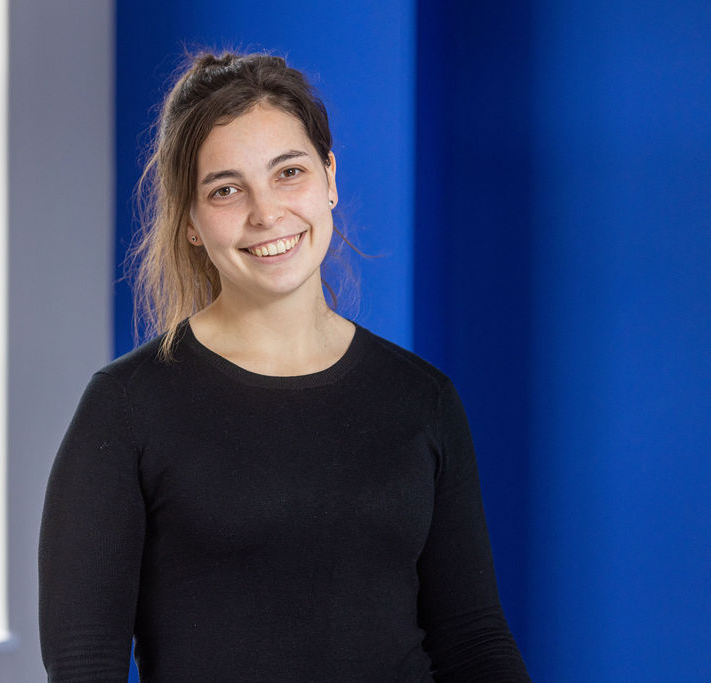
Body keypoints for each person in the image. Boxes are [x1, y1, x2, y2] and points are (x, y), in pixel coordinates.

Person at [39, 51, 530, 682]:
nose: (265, 213)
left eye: (288, 172)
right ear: (190, 219)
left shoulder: (422, 398)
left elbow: (474, 639)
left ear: (329, 176)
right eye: (225, 189)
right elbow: (84, 666)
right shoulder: (126, 408)